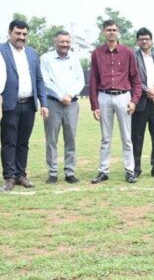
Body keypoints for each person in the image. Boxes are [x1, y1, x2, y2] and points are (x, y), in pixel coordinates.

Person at [89, 20, 142, 184]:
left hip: (123, 97)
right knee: (105, 138)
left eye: (114, 30)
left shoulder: (128, 52)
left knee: (127, 137)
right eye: (108, 30)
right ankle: (103, 171)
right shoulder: (97, 53)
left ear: (118, 32)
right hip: (104, 96)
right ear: (103, 32)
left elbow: (136, 79)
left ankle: (130, 171)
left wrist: (134, 100)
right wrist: (94, 105)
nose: (111, 32)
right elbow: (93, 80)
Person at [0, 20, 49, 191]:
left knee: (23, 142)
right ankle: (9, 177)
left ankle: (21, 175)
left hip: (29, 105)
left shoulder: (32, 53)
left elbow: (39, 80)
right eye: (18, 33)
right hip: (9, 105)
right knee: (9, 141)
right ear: (9, 33)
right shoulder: (1, 51)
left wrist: (44, 103)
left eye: (24, 34)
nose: (21, 37)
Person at [40, 30, 85, 184]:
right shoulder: (46, 59)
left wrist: (70, 95)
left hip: (72, 104)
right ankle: (52, 172)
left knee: (70, 138)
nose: (65, 44)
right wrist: (60, 96)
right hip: (53, 103)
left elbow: (80, 80)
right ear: (55, 42)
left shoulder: (75, 59)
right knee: (51, 139)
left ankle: (69, 172)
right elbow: (46, 81)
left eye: (67, 42)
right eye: (62, 42)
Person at [132, 27, 154, 178]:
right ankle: (135, 168)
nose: (144, 41)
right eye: (141, 39)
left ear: (151, 41)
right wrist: (148, 91)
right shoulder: (133, 57)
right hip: (140, 103)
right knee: (137, 138)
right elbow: (133, 78)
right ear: (137, 41)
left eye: (147, 39)